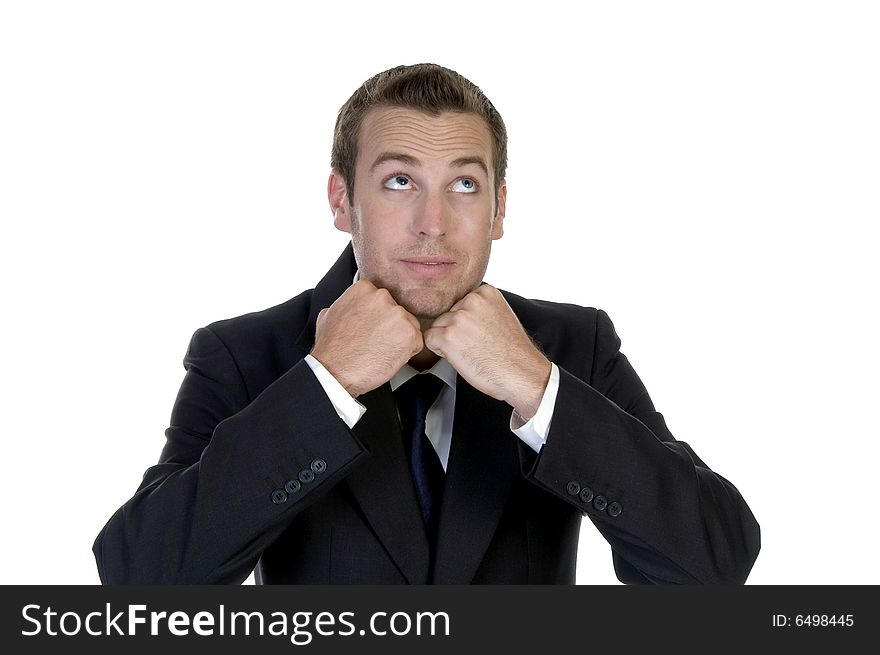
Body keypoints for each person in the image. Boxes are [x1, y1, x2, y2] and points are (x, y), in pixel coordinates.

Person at [93, 63, 760, 585]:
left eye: (464, 186)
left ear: (499, 209)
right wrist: (325, 384)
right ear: (341, 199)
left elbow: (713, 565)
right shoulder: (244, 353)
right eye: (398, 182)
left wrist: (537, 386)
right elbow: (140, 583)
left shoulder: (571, 346)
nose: (432, 224)